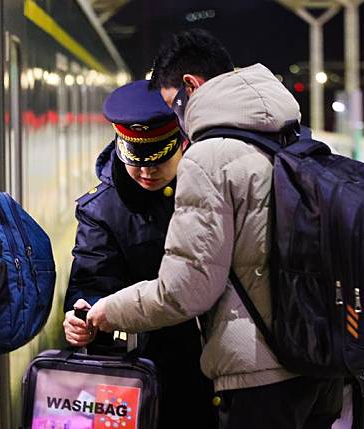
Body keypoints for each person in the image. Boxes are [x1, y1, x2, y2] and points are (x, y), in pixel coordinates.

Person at [87, 29, 343, 428]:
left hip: (259, 375)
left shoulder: (209, 156)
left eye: (174, 106)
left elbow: (186, 291)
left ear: (191, 86)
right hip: (318, 360)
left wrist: (106, 311)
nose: (178, 120)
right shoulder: (292, 137)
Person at [62, 79, 217, 429]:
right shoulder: (102, 209)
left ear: (182, 142)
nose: (146, 171)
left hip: (227, 363)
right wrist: (81, 314)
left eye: (159, 158)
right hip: (158, 369)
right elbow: (92, 277)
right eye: (136, 159)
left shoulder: (214, 185)